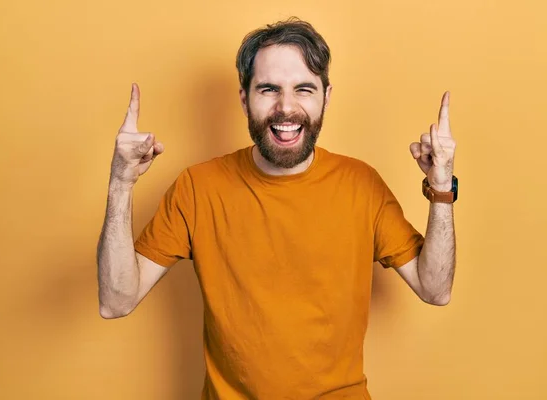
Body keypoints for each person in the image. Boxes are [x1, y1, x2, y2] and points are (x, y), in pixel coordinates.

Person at [97, 17, 457, 400]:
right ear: (244, 98)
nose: (286, 108)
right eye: (268, 89)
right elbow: (116, 300)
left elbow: (435, 289)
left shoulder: (361, 184)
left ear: (326, 97)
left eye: (304, 89)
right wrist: (121, 183)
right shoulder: (197, 188)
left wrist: (441, 188)